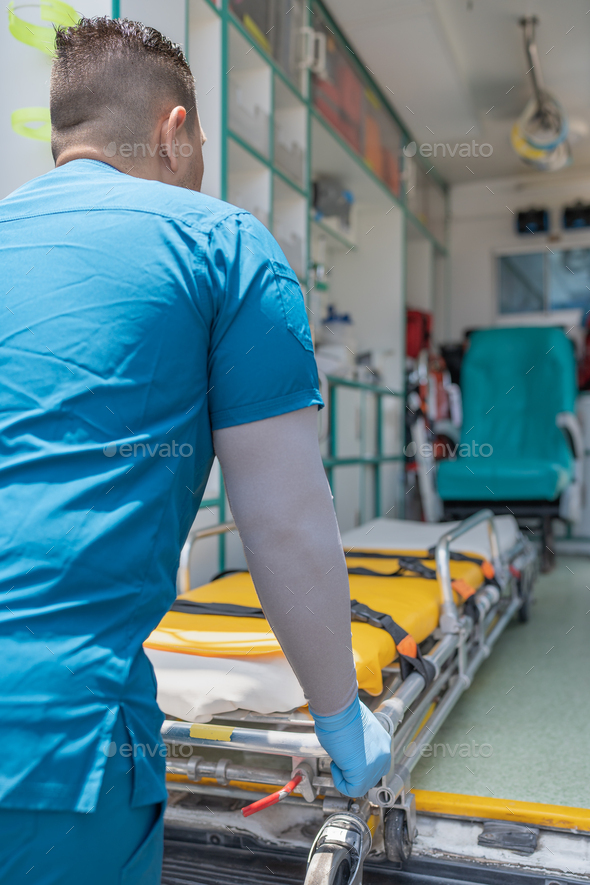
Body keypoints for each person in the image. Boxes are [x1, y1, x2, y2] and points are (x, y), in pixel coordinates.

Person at [0, 17, 390, 884]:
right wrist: (340, 717)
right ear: (175, 131)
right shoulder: (223, 243)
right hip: (55, 755)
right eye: (204, 146)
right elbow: (285, 520)